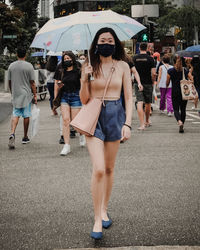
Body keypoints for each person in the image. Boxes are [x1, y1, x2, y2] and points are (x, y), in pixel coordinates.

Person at [80, 27, 132, 239]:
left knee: (109, 168)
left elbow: (129, 97)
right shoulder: (89, 65)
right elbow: (84, 99)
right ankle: (96, 219)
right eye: (103, 40)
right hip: (94, 116)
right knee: (99, 168)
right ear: (96, 43)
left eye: (110, 40)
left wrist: (127, 123)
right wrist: (85, 79)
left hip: (115, 115)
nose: (107, 43)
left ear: (116, 43)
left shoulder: (122, 66)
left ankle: (104, 209)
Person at [54, 51, 86, 155]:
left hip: (76, 96)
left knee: (75, 123)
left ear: (72, 58)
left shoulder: (79, 69)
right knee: (66, 121)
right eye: (65, 59)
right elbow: (57, 83)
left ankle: (81, 134)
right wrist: (58, 88)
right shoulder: (61, 69)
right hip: (64, 96)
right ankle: (66, 145)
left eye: (68, 58)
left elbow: (83, 83)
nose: (67, 60)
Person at [8, 47, 37, 149]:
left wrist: (12, 92)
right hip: (26, 94)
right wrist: (35, 95)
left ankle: (12, 133)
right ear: (25, 55)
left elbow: (9, 81)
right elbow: (32, 82)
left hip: (16, 93)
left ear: (16, 54)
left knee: (16, 114)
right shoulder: (29, 66)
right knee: (26, 115)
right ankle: (25, 137)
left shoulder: (11, 66)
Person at [166, 56, 193, 133]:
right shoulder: (185, 70)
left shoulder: (170, 71)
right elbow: (192, 79)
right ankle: (182, 124)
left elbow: (167, 82)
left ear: (174, 62)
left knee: (176, 109)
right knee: (183, 109)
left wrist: (167, 85)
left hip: (175, 92)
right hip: (184, 92)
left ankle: (179, 122)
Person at [133, 42, 156, 130]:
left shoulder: (134, 58)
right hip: (148, 82)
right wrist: (153, 81)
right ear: (147, 49)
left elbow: (132, 71)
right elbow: (153, 73)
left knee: (139, 101)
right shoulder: (150, 59)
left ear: (139, 48)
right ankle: (147, 121)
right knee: (147, 102)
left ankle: (141, 124)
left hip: (137, 82)